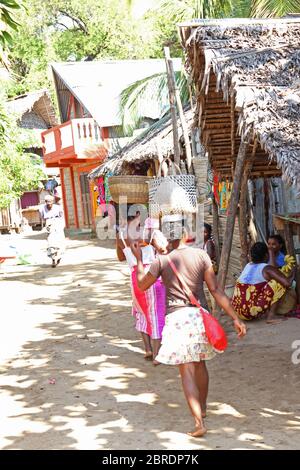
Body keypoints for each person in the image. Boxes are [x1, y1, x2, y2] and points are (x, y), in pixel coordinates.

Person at [131, 214, 246, 438]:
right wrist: (235, 317)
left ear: (167, 237)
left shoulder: (162, 261)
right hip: (199, 316)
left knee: (186, 371)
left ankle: (198, 422)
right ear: (185, 234)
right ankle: (202, 408)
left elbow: (142, 285)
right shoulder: (201, 255)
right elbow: (216, 290)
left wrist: (138, 259)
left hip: (177, 319)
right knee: (200, 364)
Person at [116, 214, 167, 363]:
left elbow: (120, 257)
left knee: (141, 313)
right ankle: (157, 355)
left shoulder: (120, 235)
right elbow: (163, 250)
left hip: (134, 276)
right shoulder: (148, 232)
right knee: (156, 313)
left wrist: (129, 251)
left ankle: (148, 349)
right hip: (151, 274)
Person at [232, 242, 295, 324]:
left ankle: (264, 312)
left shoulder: (248, 265)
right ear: (266, 255)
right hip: (249, 312)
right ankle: (271, 316)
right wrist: (293, 273)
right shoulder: (267, 269)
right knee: (278, 283)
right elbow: (287, 283)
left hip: (238, 311)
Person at [39, 195, 65, 267]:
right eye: (47, 203)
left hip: (57, 222)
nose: (49, 204)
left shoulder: (58, 207)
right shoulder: (42, 208)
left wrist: (61, 225)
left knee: (59, 241)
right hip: (49, 223)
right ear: (45, 202)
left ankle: (59, 256)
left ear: (52, 202)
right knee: (50, 242)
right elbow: (42, 218)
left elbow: (61, 216)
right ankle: (53, 260)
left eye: (50, 203)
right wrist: (46, 226)